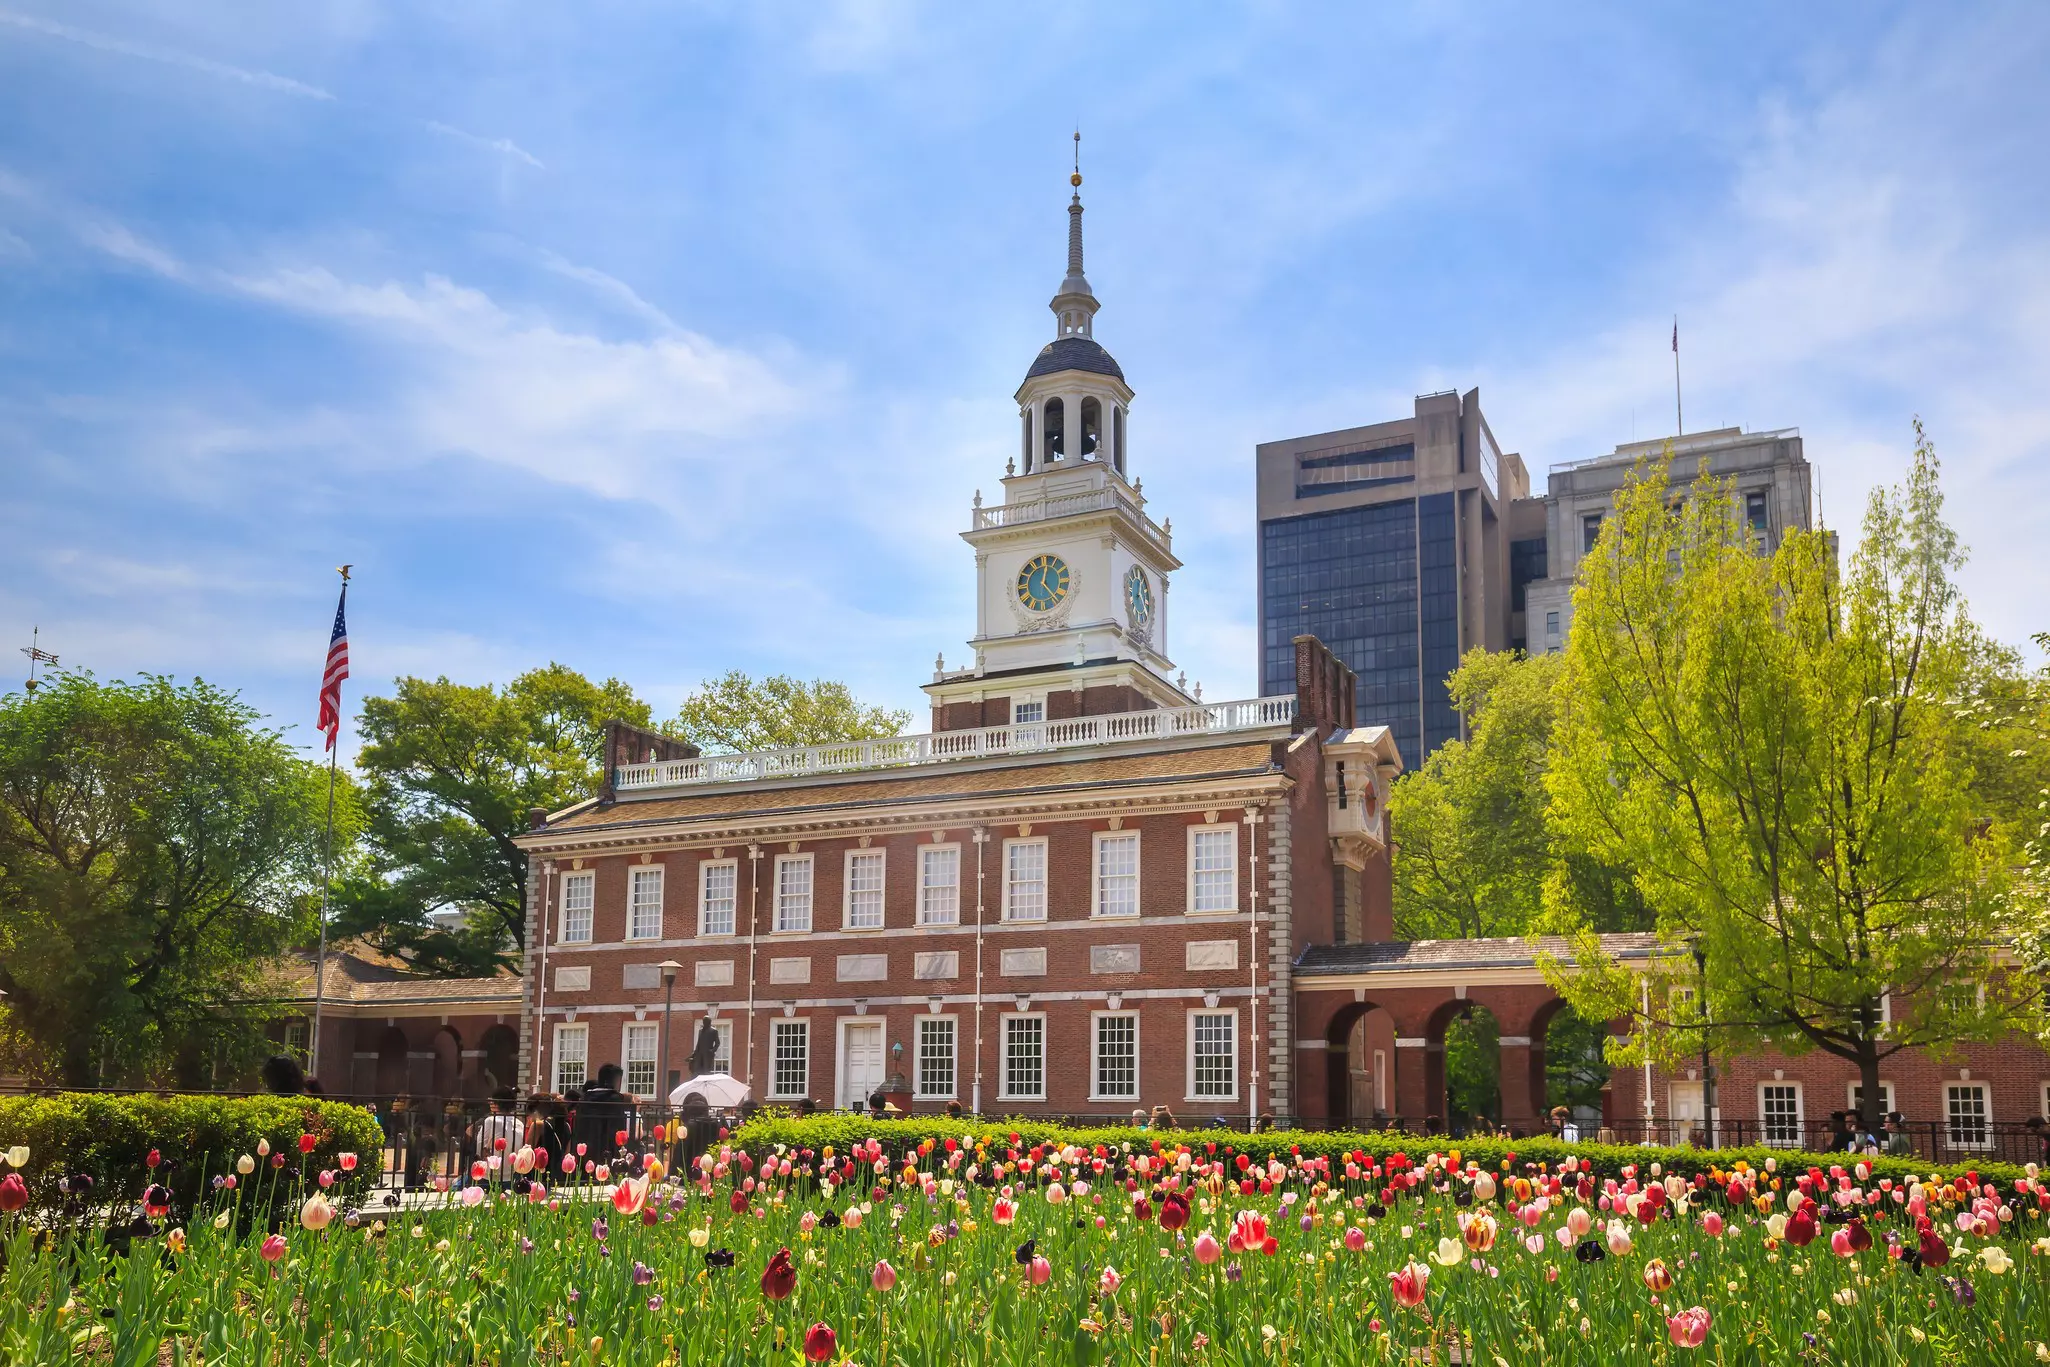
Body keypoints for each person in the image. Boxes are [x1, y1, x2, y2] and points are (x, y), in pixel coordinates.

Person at [572, 1063, 633, 1157]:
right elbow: (619, 1126)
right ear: (614, 1081)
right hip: (608, 1146)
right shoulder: (615, 1099)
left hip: (587, 1143)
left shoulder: (585, 1098)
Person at [473, 1087, 523, 1159]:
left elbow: (479, 1147)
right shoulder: (520, 1124)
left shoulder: (490, 1120)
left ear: (496, 1103)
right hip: (513, 1167)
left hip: (493, 1166)